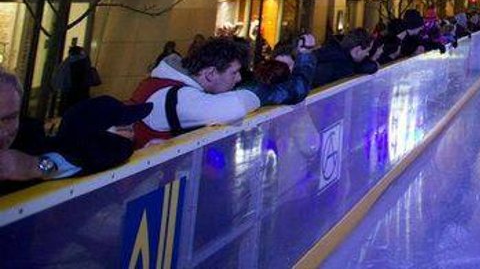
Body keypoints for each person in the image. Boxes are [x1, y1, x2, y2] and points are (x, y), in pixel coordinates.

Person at [129, 36, 314, 149]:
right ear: (210, 74)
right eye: (233, 73)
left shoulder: (161, 84)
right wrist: (304, 58)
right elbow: (235, 106)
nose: (239, 78)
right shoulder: (184, 100)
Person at [1, 70, 151, 195]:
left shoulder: (29, 137)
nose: (2, 132)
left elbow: (97, 152)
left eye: (9, 118)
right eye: (124, 127)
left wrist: (37, 166)